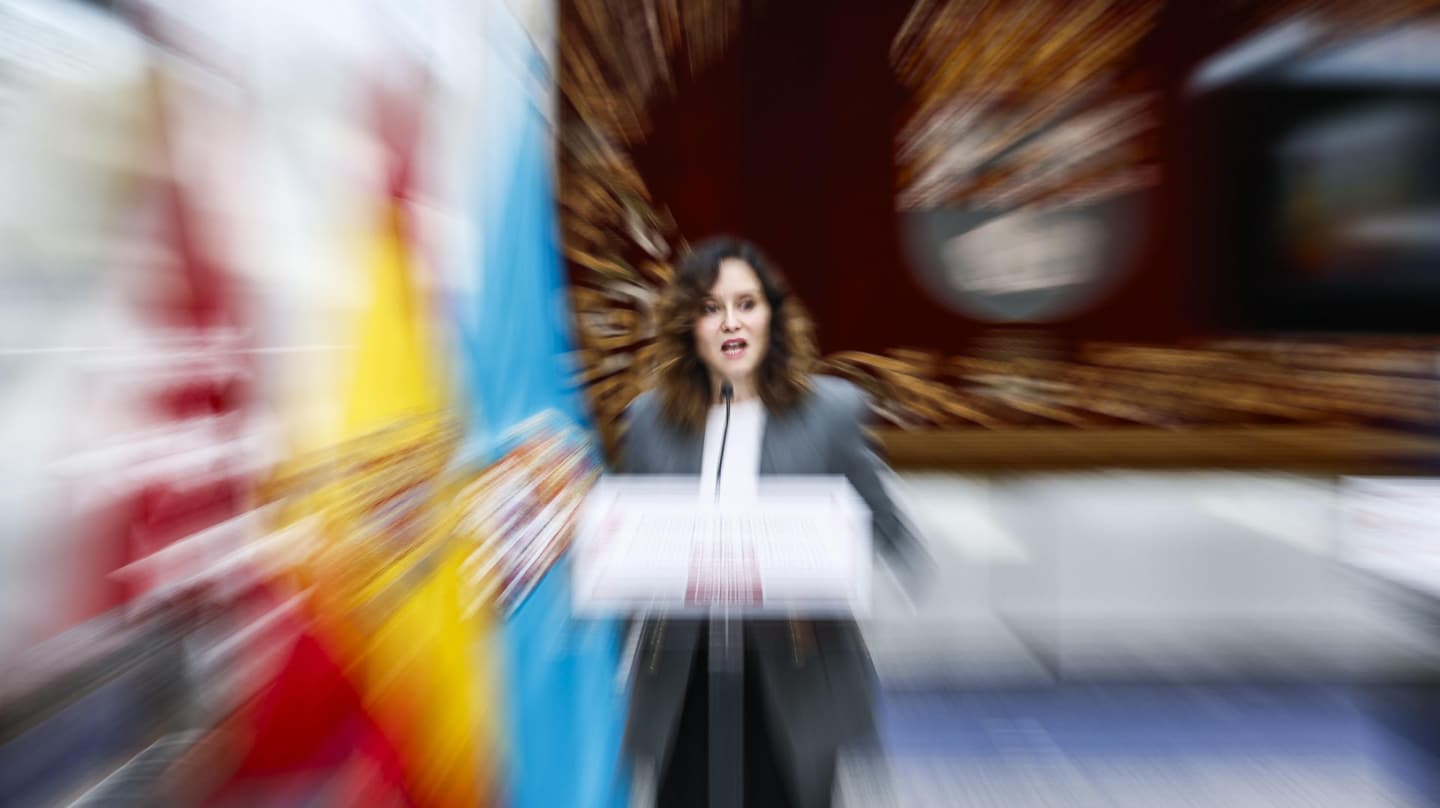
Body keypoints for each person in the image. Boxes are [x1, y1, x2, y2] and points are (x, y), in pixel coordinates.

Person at [616, 236, 925, 808]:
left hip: (794, 668)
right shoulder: (648, 422)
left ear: (773, 317)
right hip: (685, 671)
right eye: (711, 308)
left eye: (747, 303)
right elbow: (630, 543)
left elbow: (889, 530)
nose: (731, 322)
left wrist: (827, 557)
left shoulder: (832, 413)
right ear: (687, 325)